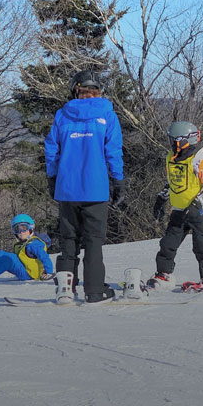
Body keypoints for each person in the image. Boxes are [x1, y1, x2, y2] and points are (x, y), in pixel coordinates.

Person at [44, 70, 124, 304]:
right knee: (93, 242)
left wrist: (52, 178)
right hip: (96, 189)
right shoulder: (107, 116)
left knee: (68, 241)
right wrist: (118, 180)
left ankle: (66, 291)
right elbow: (113, 151)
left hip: (67, 189)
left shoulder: (62, 115)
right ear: (98, 90)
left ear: (75, 89)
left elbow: (51, 150)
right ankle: (95, 290)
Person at [148, 121, 203, 290]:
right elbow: (172, 181)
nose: (171, 143)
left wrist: (197, 203)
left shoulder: (200, 159)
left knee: (200, 244)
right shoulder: (171, 157)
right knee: (168, 243)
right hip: (179, 209)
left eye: (174, 140)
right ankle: (163, 274)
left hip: (199, 210)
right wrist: (161, 198)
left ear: (183, 140)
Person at [0, 214, 54, 285]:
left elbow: (44, 257)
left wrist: (49, 272)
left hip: (31, 274)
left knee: (8, 259)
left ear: (31, 228)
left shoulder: (33, 244)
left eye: (24, 228)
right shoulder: (22, 243)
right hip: (25, 269)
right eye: (17, 229)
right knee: (0, 254)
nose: (21, 232)